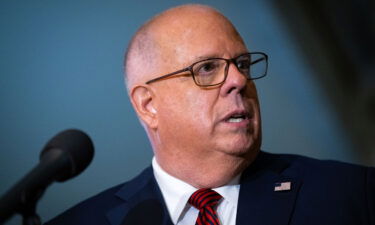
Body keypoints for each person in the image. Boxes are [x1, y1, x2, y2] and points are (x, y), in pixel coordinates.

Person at [46, 4, 374, 225]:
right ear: (148, 105)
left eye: (242, 64)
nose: (238, 80)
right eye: (207, 68)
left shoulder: (352, 194)